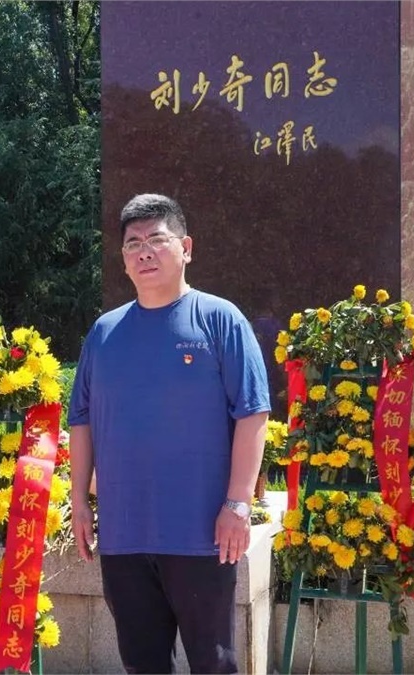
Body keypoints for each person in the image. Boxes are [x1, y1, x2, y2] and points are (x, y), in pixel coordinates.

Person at [68, 194, 270, 674]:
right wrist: (79, 500)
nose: (144, 252)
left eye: (157, 239)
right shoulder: (104, 333)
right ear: (123, 259)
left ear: (186, 248)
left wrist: (238, 504)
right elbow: (82, 421)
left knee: (214, 662)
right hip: (124, 534)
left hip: (201, 534)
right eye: (133, 243)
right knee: (142, 663)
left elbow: (253, 414)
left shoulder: (219, 320)